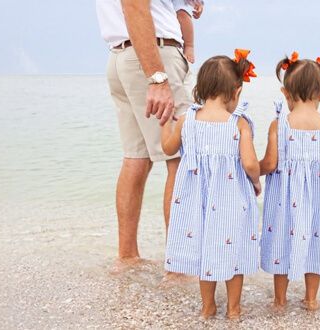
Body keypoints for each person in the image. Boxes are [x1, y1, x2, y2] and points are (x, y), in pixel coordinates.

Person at [96, 0, 203, 270]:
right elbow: (133, 5)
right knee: (180, 158)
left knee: (136, 158)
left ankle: (128, 258)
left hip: (122, 57)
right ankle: (178, 266)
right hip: (153, 54)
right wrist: (158, 78)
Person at [162, 49, 262, 319]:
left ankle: (208, 307)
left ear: (200, 88)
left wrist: (163, 124)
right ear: (236, 92)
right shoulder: (238, 124)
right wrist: (256, 182)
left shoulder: (187, 121)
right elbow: (251, 164)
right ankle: (233, 308)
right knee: (235, 251)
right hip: (231, 201)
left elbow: (168, 148)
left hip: (196, 202)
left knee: (206, 250)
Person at [259, 52, 320, 311]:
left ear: (285, 92)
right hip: (319, 201)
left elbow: (269, 164)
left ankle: (279, 300)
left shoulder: (279, 125)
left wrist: (249, 173)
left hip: (282, 201)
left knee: (281, 238)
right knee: (317, 241)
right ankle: (311, 299)